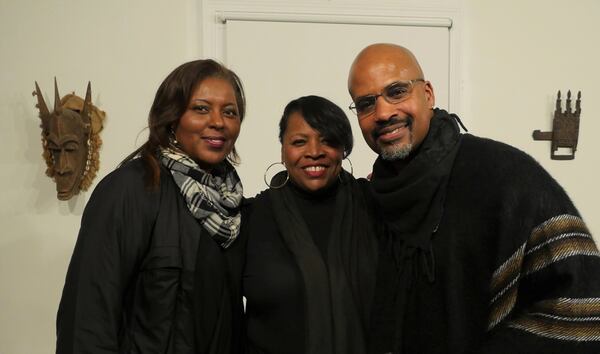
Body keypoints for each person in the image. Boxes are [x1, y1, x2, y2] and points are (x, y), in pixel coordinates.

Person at [347, 43, 600, 354]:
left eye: (397, 91)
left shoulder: (503, 175)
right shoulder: (375, 199)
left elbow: (583, 300)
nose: (384, 112)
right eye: (366, 104)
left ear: (427, 94)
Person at [56, 59, 247, 353]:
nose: (218, 121)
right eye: (201, 108)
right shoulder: (130, 189)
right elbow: (87, 316)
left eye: (230, 112)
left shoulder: (232, 206)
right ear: (172, 116)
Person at [242, 95, 379, 354]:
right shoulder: (251, 217)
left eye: (328, 140)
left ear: (343, 149)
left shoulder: (373, 205)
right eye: (299, 142)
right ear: (283, 150)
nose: (314, 152)